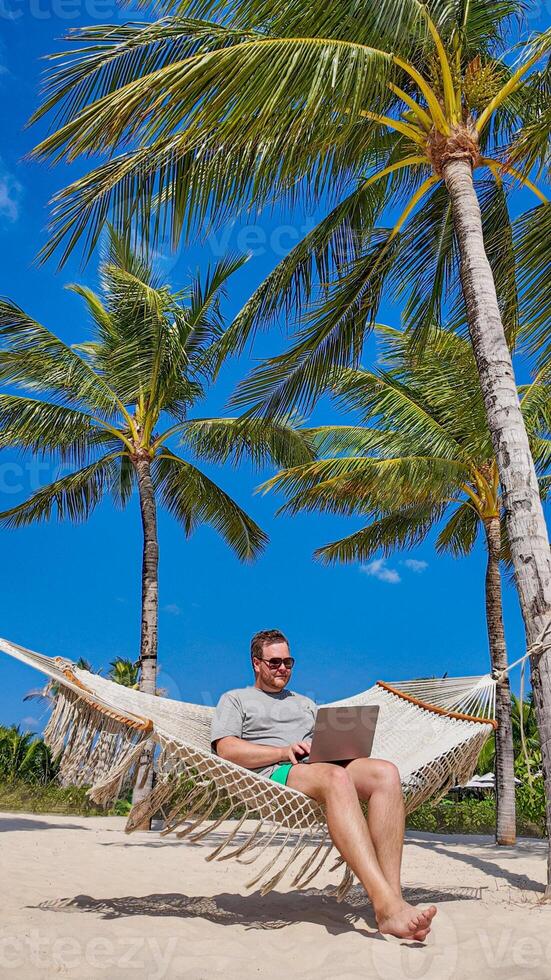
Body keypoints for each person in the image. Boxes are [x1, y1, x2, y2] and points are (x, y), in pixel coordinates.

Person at [211, 629, 437, 942]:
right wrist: (283, 751)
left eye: (288, 662)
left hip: (321, 765)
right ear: (256, 663)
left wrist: (340, 749)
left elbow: (326, 745)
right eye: (274, 662)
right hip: (275, 773)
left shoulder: (306, 704)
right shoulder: (235, 699)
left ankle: (393, 899)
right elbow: (227, 750)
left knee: (385, 772)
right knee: (335, 777)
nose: (283, 668)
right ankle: (385, 908)